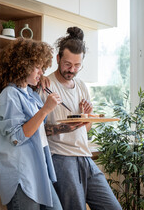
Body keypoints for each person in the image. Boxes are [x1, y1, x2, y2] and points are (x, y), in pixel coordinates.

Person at [40, 27, 122, 210]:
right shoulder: (45, 85)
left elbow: (85, 130)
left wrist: (86, 119)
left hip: (85, 157)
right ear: (58, 59)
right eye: (68, 64)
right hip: (61, 158)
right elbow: (37, 129)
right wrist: (64, 128)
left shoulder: (82, 86)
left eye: (77, 66)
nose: (72, 70)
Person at [0, 37, 64, 210]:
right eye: (37, 67)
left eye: (42, 67)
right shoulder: (9, 95)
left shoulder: (30, 95)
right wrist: (45, 110)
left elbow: (38, 131)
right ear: (22, 65)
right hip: (22, 176)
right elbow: (17, 137)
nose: (41, 72)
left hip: (38, 171)